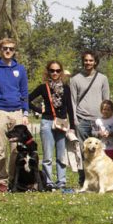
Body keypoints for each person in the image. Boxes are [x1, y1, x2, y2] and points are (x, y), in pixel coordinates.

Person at [0, 38, 29, 193]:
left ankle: (13, 181)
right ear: (0, 49)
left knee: (16, 149)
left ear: (15, 51)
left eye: (11, 49)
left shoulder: (20, 69)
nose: (8, 51)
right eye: (5, 48)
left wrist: (25, 113)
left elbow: (24, 93)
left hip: (17, 111)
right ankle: (2, 181)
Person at [29, 60, 75, 190]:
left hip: (61, 123)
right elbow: (27, 99)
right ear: (48, 72)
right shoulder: (43, 87)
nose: (55, 73)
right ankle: (48, 182)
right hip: (47, 123)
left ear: (61, 72)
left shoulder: (66, 88)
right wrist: (39, 110)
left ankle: (61, 181)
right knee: (48, 155)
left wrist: (72, 126)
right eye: (52, 70)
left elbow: (70, 107)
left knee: (61, 155)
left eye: (57, 71)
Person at [70, 50, 110, 185]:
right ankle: (84, 179)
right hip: (81, 119)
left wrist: (106, 119)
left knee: (99, 151)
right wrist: (74, 119)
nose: (88, 63)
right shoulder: (75, 79)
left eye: (91, 60)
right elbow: (73, 101)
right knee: (83, 151)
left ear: (95, 62)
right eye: (86, 60)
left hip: (98, 120)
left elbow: (106, 100)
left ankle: (99, 179)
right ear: (83, 61)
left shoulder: (102, 78)